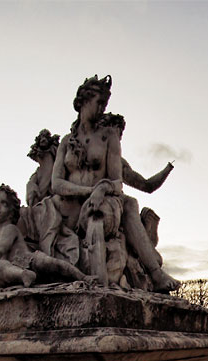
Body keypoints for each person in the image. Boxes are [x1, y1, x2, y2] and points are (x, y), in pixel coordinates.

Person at [51, 74, 179, 292]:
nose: (102, 108)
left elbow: (117, 180)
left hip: (102, 200)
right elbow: (56, 184)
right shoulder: (66, 142)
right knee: (127, 205)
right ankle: (149, 274)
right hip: (70, 206)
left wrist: (102, 189)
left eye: (105, 104)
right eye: (98, 103)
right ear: (83, 101)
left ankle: (123, 280)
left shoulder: (108, 137)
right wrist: (91, 190)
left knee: (119, 207)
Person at [0, 185, 87, 297]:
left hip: (28, 260)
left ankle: (83, 277)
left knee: (54, 264)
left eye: (3, 203)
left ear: (11, 212)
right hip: (13, 269)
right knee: (1, 266)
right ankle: (24, 276)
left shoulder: (10, 229)